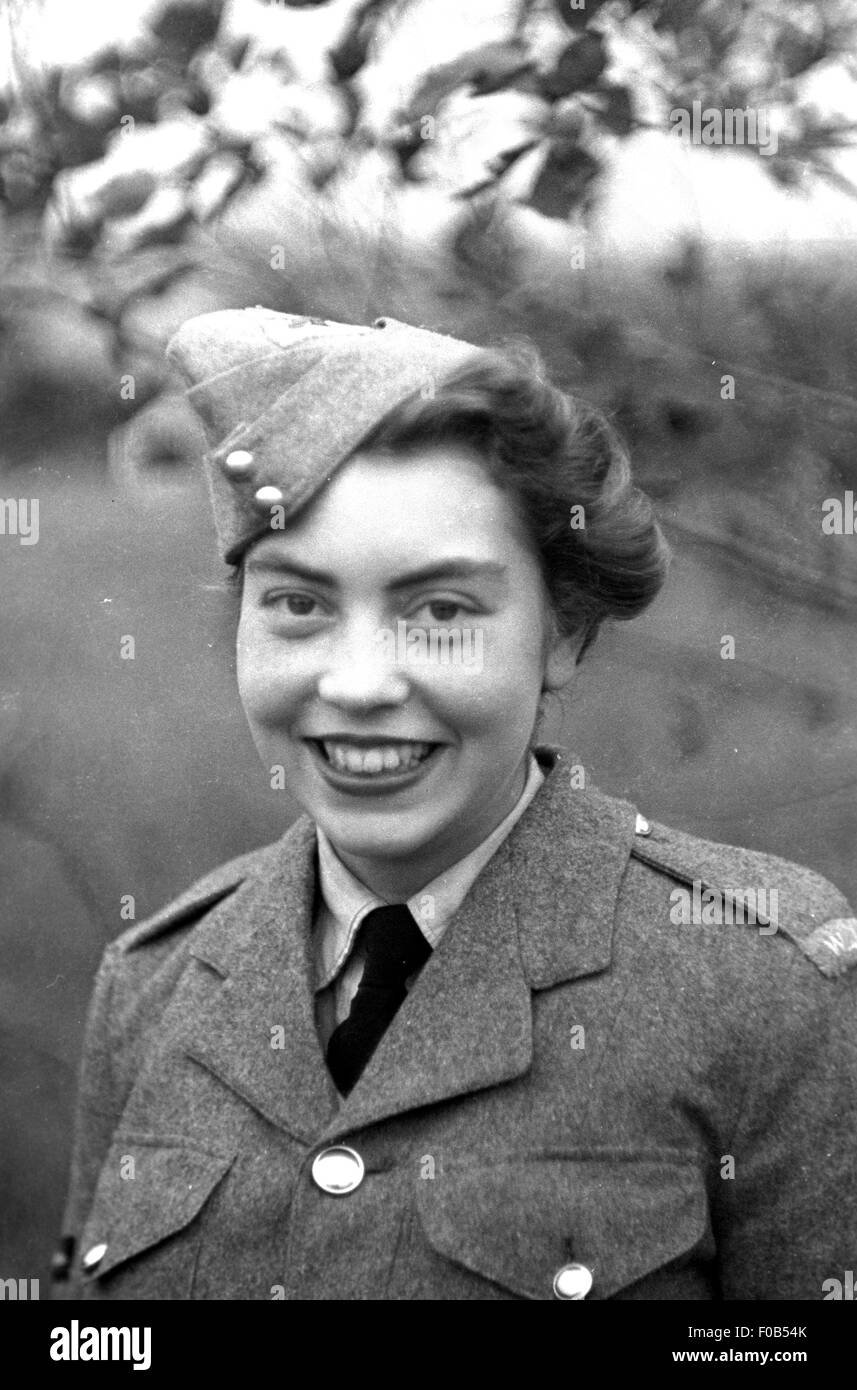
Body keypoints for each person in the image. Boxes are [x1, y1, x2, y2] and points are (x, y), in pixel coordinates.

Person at [52, 308, 857, 1301]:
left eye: (438, 611)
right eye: (297, 605)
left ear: (560, 632)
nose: (355, 683)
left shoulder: (770, 983)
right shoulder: (149, 986)